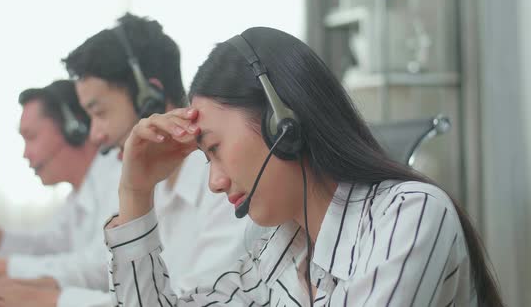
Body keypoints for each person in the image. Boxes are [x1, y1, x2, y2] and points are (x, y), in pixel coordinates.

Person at [103, 27, 504, 306]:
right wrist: (136, 194)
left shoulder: (411, 216)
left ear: (283, 125)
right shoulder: (280, 251)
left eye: (216, 149)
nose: (215, 181)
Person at [0, 14, 251, 307]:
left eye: (100, 113)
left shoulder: (225, 187)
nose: (94, 135)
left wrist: (50, 299)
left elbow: (182, 303)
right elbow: (106, 271)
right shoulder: (154, 187)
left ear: (150, 97)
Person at [0, 80, 121, 306]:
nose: (25, 154)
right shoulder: (80, 194)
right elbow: (49, 248)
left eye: (31, 136)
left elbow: (100, 267)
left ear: (74, 129)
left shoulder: (118, 177)